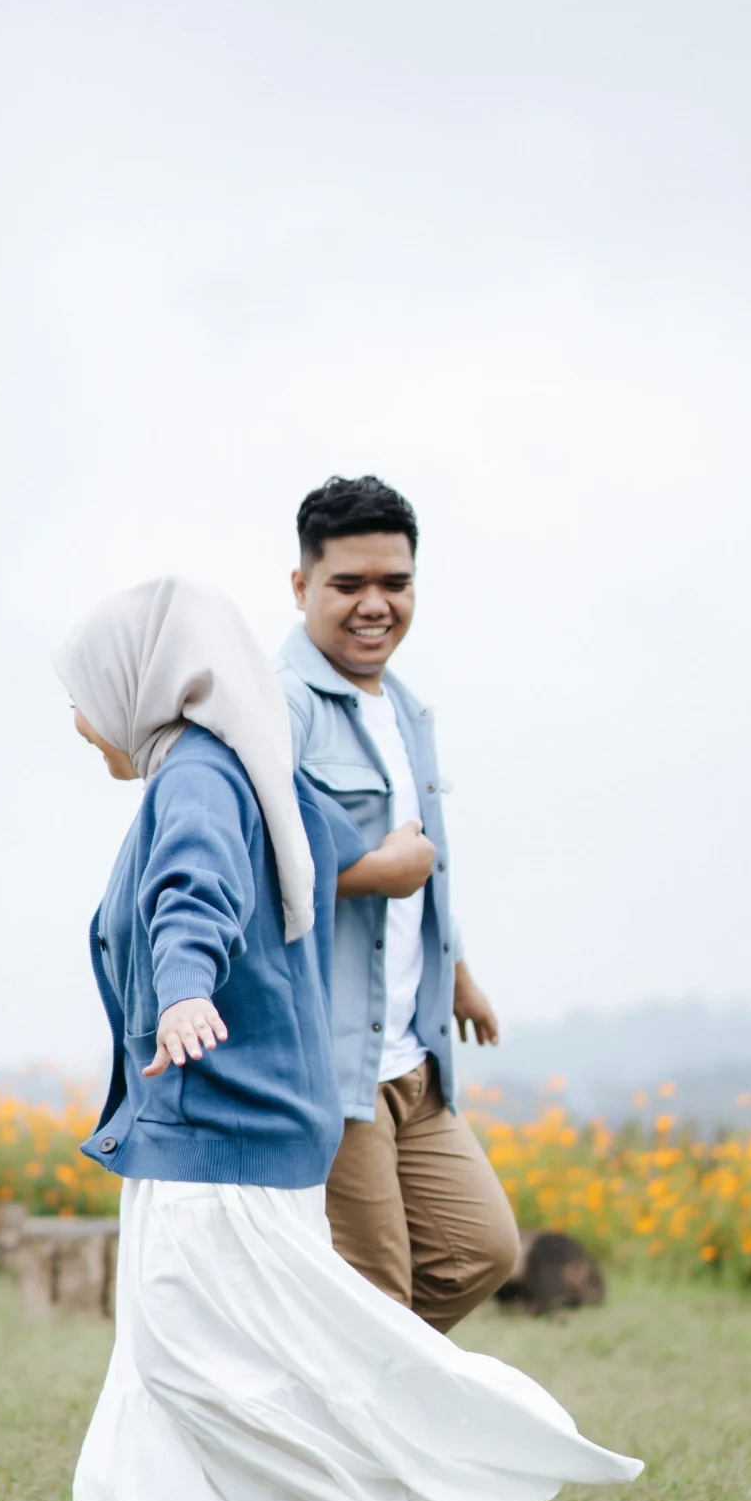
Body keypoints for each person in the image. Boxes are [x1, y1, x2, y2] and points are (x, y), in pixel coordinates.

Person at [57, 575, 641, 1501]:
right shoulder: (251, 760)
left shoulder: (196, 777)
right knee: (190, 1372)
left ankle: (423, 1485)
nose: (78, 719)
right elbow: (325, 851)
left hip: (214, 1126)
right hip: (237, 1124)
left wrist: (183, 988)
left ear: (139, 682)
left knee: (204, 1367)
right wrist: (399, 864)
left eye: (83, 693)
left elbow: (192, 895)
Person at [279, 476, 522, 1332]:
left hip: (413, 1055)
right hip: (334, 1063)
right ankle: (346, 1394)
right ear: (301, 585)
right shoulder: (281, 707)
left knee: (479, 1251)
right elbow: (244, 867)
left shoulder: (404, 708)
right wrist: (370, 874)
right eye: (348, 584)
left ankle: (334, 1380)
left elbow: (427, 867)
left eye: (395, 583)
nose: (374, 605)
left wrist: (457, 973)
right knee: (373, 1297)